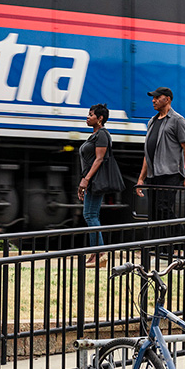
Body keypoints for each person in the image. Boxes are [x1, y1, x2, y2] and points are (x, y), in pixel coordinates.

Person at [136, 87, 185, 221]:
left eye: (157, 98)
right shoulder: (152, 121)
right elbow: (148, 153)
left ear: (167, 99)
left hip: (170, 174)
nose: (153, 101)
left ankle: (183, 235)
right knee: (153, 215)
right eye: (153, 98)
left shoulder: (177, 120)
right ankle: (158, 236)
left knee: (163, 210)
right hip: (153, 175)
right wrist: (141, 178)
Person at [77, 103, 112, 268]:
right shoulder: (95, 135)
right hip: (91, 180)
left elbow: (99, 159)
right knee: (90, 215)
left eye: (91, 115)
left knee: (91, 215)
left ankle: (99, 254)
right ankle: (95, 254)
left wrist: (86, 179)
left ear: (100, 118)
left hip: (95, 180)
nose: (88, 117)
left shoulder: (102, 134)